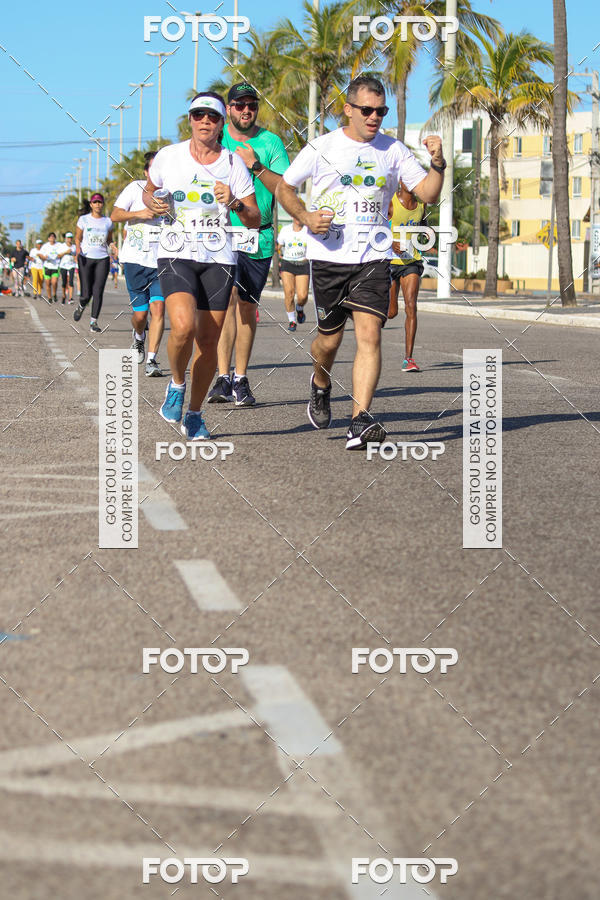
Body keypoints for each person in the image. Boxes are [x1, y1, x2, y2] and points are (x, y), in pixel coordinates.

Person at [276, 75, 445, 450]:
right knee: (328, 341)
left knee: (370, 334)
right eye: (367, 110)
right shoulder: (322, 148)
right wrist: (303, 216)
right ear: (348, 109)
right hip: (328, 258)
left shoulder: (393, 150)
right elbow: (284, 187)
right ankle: (320, 383)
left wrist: (438, 163)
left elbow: (428, 194)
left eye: (380, 111)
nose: (374, 117)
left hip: (373, 256)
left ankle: (360, 419)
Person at [143, 91, 260, 438]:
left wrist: (236, 202)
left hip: (219, 256)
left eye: (212, 116)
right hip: (177, 250)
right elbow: (149, 192)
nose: (205, 121)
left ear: (222, 122)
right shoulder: (169, 156)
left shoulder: (232, 163)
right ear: (190, 120)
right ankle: (177, 384)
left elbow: (253, 218)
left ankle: (194, 414)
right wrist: (155, 203)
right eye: (198, 115)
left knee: (208, 342)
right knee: (181, 327)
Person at [207, 82, 290, 406]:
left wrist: (256, 164)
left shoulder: (270, 142)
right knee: (224, 302)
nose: (245, 110)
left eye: (250, 105)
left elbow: (284, 188)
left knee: (246, 307)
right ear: (228, 109)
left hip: (260, 233)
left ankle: (240, 378)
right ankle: (222, 376)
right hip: (221, 233)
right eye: (239, 105)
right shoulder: (217, 138)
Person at [111, 150, 165, 377]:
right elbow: (114, 215)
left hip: (162, 260)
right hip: (134, 260)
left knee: (159, 308)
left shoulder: (173, 193)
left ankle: (152, 360)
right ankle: (139, 336)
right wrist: (140, 213)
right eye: (153, 169)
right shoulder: (135, 188)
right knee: (141, 316)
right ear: (146, 172)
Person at [388, 181, 426, 372]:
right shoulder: (390, 203)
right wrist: (390, 242)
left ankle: (408, 359)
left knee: (411, 305)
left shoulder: (421, 205)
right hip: (388, 263)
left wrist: (427, 234)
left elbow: (423, 224)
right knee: (391, 312)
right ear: (400, 182)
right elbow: (375, 226)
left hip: (411, 262)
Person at [73, 192, 115, 332]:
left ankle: (93, 323)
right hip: (85, 258)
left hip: (102, 259)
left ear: (102, 204)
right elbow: (78, 238)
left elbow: (109, 239)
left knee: (98, 291)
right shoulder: (83, 220)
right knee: (86, 294)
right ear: (91, 205)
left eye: (100, 202)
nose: (98, 204)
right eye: (95, 202)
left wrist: (112, 246)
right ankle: (81, 305)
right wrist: (78, 250)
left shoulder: (107, 221)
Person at [276, 217, 309, 331]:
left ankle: (299, 308)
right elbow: (277, 246)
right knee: (289, 293)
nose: (297, 217)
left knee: (302, 296)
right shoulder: (285, 230)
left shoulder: (308, 230)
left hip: (303, 263)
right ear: (291, 216)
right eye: (295, 214)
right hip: (287, 263)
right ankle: (292, 321)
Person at [39, 232, 60, 302]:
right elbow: (40, 254)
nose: (52, 238)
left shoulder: (58, 245)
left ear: (55, 238)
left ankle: (54, 293)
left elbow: (63, 252)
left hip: (55, 266)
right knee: (47, 283)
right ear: (48, 238)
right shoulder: (45, 246)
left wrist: (60, 255)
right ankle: (49, 297)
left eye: (53, 237)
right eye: (50, 237)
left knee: (54, 282)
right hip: (47, 266)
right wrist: (44, 257)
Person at [58, 232, 77, 304]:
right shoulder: (62, 246)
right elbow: (58, 256)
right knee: (64, 282)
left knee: (71, 281)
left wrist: (75, 257)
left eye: (71, 238)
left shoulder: (74, 247)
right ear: (65, 238)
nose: (70, 239)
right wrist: (66, 252)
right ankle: (63, 296)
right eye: (68, 238)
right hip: (63, 265)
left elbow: (76, 255)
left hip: (71, 265)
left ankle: (70, 298)